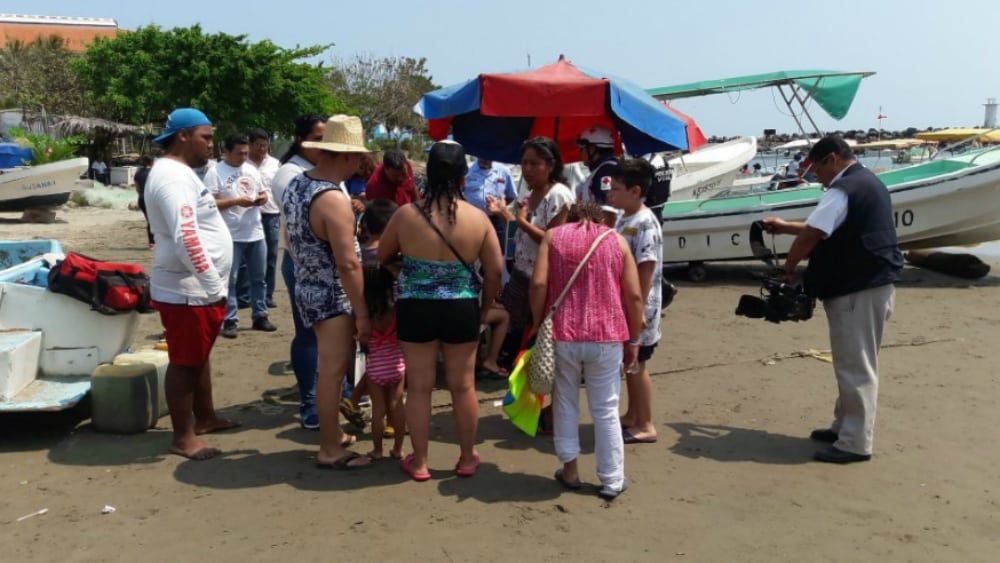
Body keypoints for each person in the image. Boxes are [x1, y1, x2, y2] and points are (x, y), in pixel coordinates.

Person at [762, 135, 902, 464]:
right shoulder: (868, 183)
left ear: (833, 160)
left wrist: (787, 269)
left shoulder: (842, 189)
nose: (815, 176)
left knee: (856, 364)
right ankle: (844, 425)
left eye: (815, 168)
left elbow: (813, 234)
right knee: (852, 360)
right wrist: (784, 228)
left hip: (857, 288)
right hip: (873, 284)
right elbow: (828, 227)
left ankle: (855, 442)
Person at [379, 141, 503, 481]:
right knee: (463, 387)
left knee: (418, 387)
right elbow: (494, 270)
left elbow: (383, 255)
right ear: (464, 177)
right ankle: (466, 458)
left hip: (416, 306)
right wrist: (485, 306)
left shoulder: (406, 215)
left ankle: (419, 462)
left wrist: (407, 273)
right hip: (461, 306)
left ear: (428, 176)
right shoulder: (478, 219)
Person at [529, 201, 644, 500]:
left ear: (571, 216)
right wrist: (634, 339)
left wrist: (537, 320)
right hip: (606, 335)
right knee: (605, 408)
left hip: (564, 333)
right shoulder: (616, 240)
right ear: (601, 219)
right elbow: (633, 296)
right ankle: (612, 479)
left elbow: (539, 283)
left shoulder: (553, 237)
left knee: (565, 401)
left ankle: (570, 471)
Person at [144, 108, 239, 460]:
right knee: (185, 361)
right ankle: (183, 437)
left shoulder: (180, 173)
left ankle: (206, 418)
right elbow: (186, 236)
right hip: (188, 289)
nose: (211, 145)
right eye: (206, 137)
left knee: (198, 356)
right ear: (183, 136)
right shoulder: (173, 177)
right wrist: (213, 284)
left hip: (195, 287)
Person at [284, 115, 372, 469]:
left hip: (307, 284)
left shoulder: (297, 184)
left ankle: (332, 437)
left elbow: (291, 239)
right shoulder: (333, 198)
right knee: (333, 372)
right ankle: (329, 448)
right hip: (331, 294)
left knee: (328, 368)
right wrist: (362, 311)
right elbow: (348, 263)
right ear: (347, 157)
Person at [489, 137, 573, 341]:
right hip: (521, 274)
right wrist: (503, 213)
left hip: (543, 280)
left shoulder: (558, 195)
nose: (527, 169)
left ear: (550, 166)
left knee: (538, 336)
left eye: (534, 163)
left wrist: (522, 222)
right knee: (516, 330)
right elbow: (520, 226)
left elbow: (554, 241)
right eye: (524, 163)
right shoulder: (529, 193)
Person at [272, 114, 327, 429]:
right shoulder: (289, 174)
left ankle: (338, 390)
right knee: (308, 334)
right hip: (303, 263)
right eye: (316, 139)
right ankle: (309, 402)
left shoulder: (319, 170)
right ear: (299, 139)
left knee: (332, 334)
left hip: (327, 263)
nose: (321, 145)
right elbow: (303, 222)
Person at [608, 159, 663, 445]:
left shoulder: (644, 222)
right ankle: (632, 414)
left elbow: (646, 269)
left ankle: (645, 423)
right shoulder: (623, 217)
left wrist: (636, 309)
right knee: (629, 362)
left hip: (640, 307)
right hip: (625, 304)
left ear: (635, 190)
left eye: (616, 189)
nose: (611, 194)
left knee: (638, 363)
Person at [204, 135, 276, 338]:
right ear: (226, 151)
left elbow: (263, 192)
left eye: (246, 153)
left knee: (259, 278)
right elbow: (210, 203)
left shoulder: (251, 169)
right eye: (239, 153)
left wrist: (262, 199)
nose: (244, 157)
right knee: (230, 279)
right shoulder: (215, 172)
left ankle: (260, 315)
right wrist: (236, 201)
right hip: (229, 234)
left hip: (255, 231)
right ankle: (230, 319)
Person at [340, 198, 400, 432]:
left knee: (376, 365)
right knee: (395, 371)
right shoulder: (389, 257)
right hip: (389, 319)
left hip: (363, 316)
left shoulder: (359, 253)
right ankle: (390, 422)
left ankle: (354, 399)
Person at [362, 265, 406, 461]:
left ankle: (377, 450)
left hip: (375, 368)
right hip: (396, 365)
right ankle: (398, 448)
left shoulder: (365, 313)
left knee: (378, 410)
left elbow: (360, 339)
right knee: (396, 406)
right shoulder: (395, 307)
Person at [246, 128, 282, 308]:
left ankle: (268, 295)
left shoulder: (275, 164)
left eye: (265, 145)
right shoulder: (242, 164)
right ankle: (246, 295)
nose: (262, 149)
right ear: (250, 145)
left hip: (271, 215)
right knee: (247, 257)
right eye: (258, 145)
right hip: (248, 215)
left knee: (271, 256)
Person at [464, 156, 516, 241]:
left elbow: (511, 195)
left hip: (495, 219)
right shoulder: (467, 170)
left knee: (499, 248)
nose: (485, 158)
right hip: (471, 219)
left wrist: (499, 207)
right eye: (482, 155)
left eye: (488, 156)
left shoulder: (504, 171)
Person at [574, 126, 619, 205]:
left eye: (582, 149)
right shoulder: (601, 169)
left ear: (592, 148)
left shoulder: (606, 171)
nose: (580, 153)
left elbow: (607, 206)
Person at [133, 154, 155, 248]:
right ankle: (153, 242)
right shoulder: (154, 172)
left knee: (150, 220)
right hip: (151, 198)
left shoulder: (138, 173)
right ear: (152, 162)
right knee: (154, 220)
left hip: (141, 198)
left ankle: (152, 242)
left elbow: (137, 189)